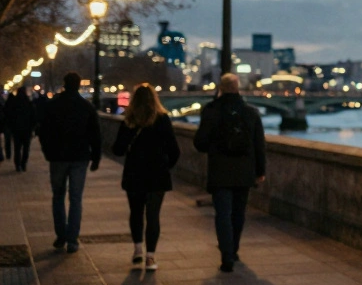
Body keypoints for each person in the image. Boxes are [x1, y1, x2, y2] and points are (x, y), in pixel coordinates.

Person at [193, 73, 265, 272]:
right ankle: (234, 250)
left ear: (220, 88)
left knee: (222, 213)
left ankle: (226, 256)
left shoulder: (211, 111)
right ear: (238, 88)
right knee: (239, 213)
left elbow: (200, 143)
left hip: (220, 170)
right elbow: (259, 145)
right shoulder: (251, 112)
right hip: (244, 171)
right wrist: (260, 171)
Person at [112, 84, 180, 271]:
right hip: (157, 175)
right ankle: (150, 258)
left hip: (135, 174)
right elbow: (174, 150)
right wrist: (166, 166)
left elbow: (117, 149)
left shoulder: (129, 121)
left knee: (136, 213)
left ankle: (137, 250)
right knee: (153, 215)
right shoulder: (163, 119)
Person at [36, 74, 102, 252]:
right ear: (79, 85)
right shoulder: (86, 107)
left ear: (64, 85)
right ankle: (72, 239)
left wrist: (47, 152)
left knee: (57, 196)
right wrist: (96, 158)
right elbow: (95, 135)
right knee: (75, 198)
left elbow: (43, 131)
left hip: (57, 157)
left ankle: (61, 235)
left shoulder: (53, 105)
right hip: (79, 157)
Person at [5, 87, 36, 172]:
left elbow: (9, 116)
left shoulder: (14, 103)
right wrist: (32, 128)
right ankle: (23, 164)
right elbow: (33, 117)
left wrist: (11, 127)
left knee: (17, 148)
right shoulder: (28, 103)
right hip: (27, 130)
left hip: (16, 130)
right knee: (26, 148)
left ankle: (17, 164)